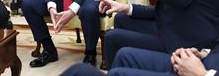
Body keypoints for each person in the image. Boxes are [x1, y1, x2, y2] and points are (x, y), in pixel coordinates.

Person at [60, 43, 219, 76]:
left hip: (202, 73)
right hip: (208, 63)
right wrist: (204, 54)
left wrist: (201, 73)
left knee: (80, 72)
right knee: (125, 54)